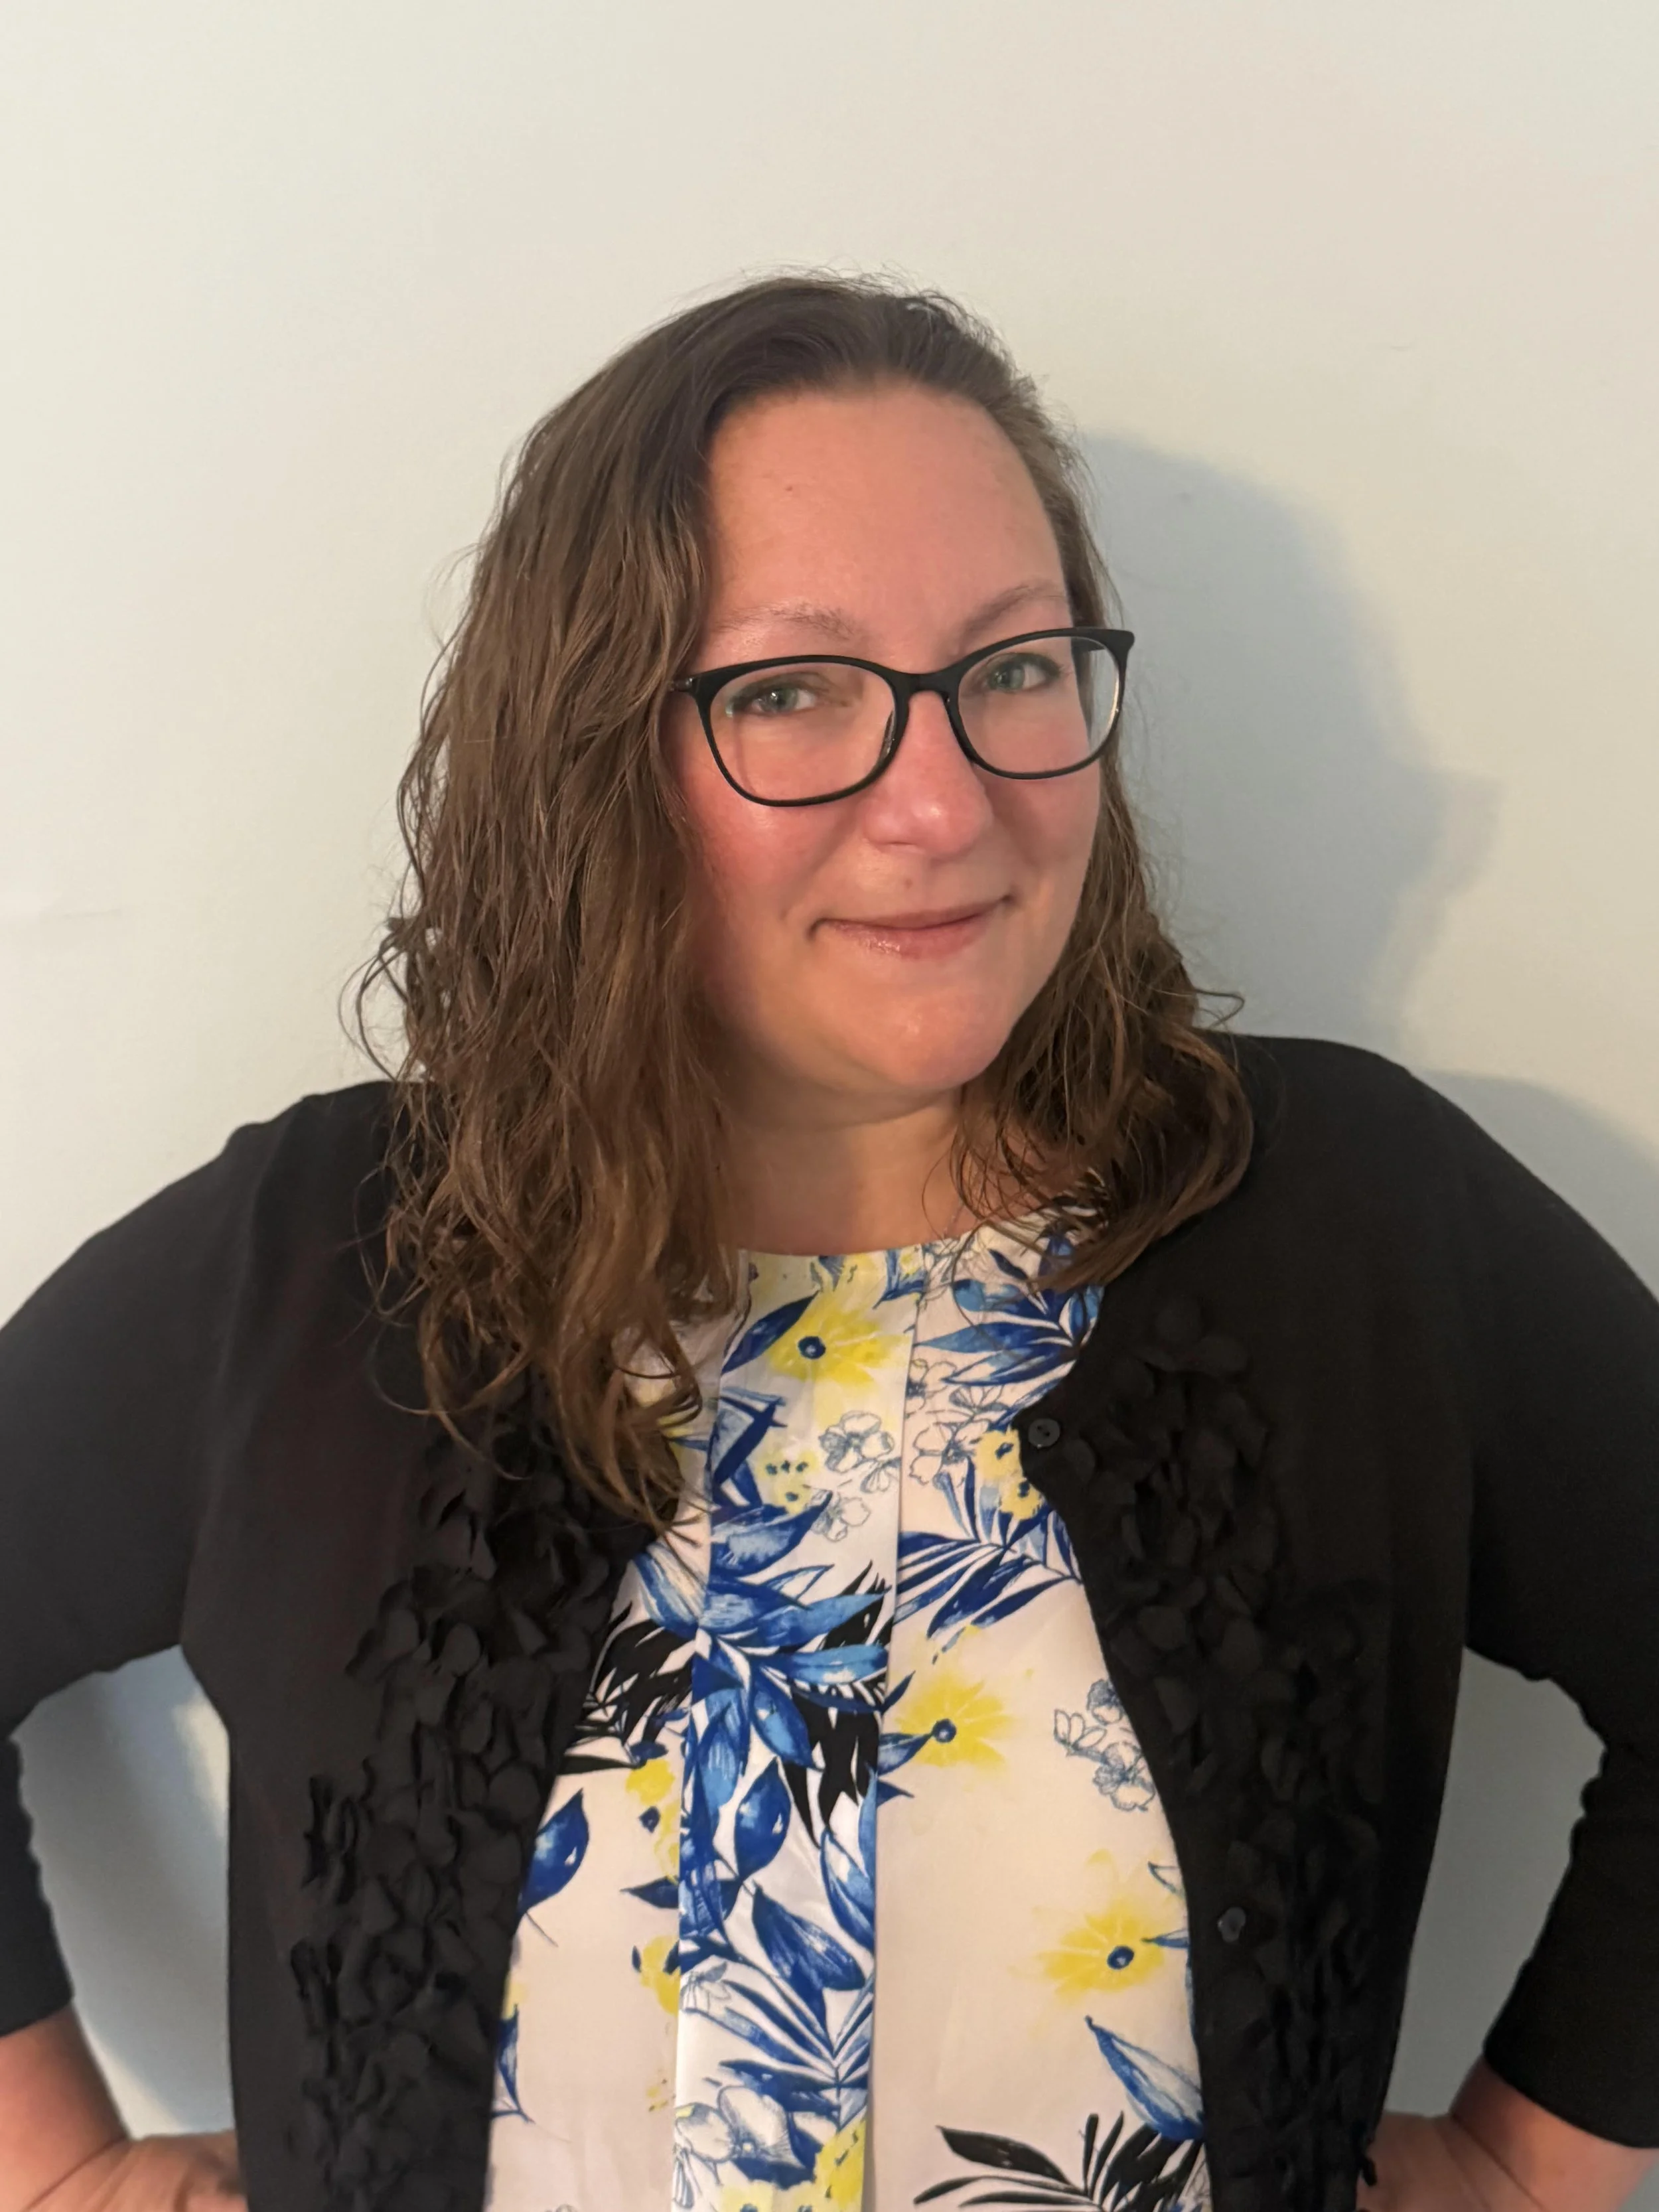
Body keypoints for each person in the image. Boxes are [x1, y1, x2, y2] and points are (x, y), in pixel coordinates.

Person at [0, 275, 1655, 2212]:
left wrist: (1527, 2160)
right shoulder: (310, 1267)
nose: (946, 799)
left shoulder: (1357, 1224)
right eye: (789, 690)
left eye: (1014, 665)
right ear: (595, 748)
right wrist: (55, 2166)